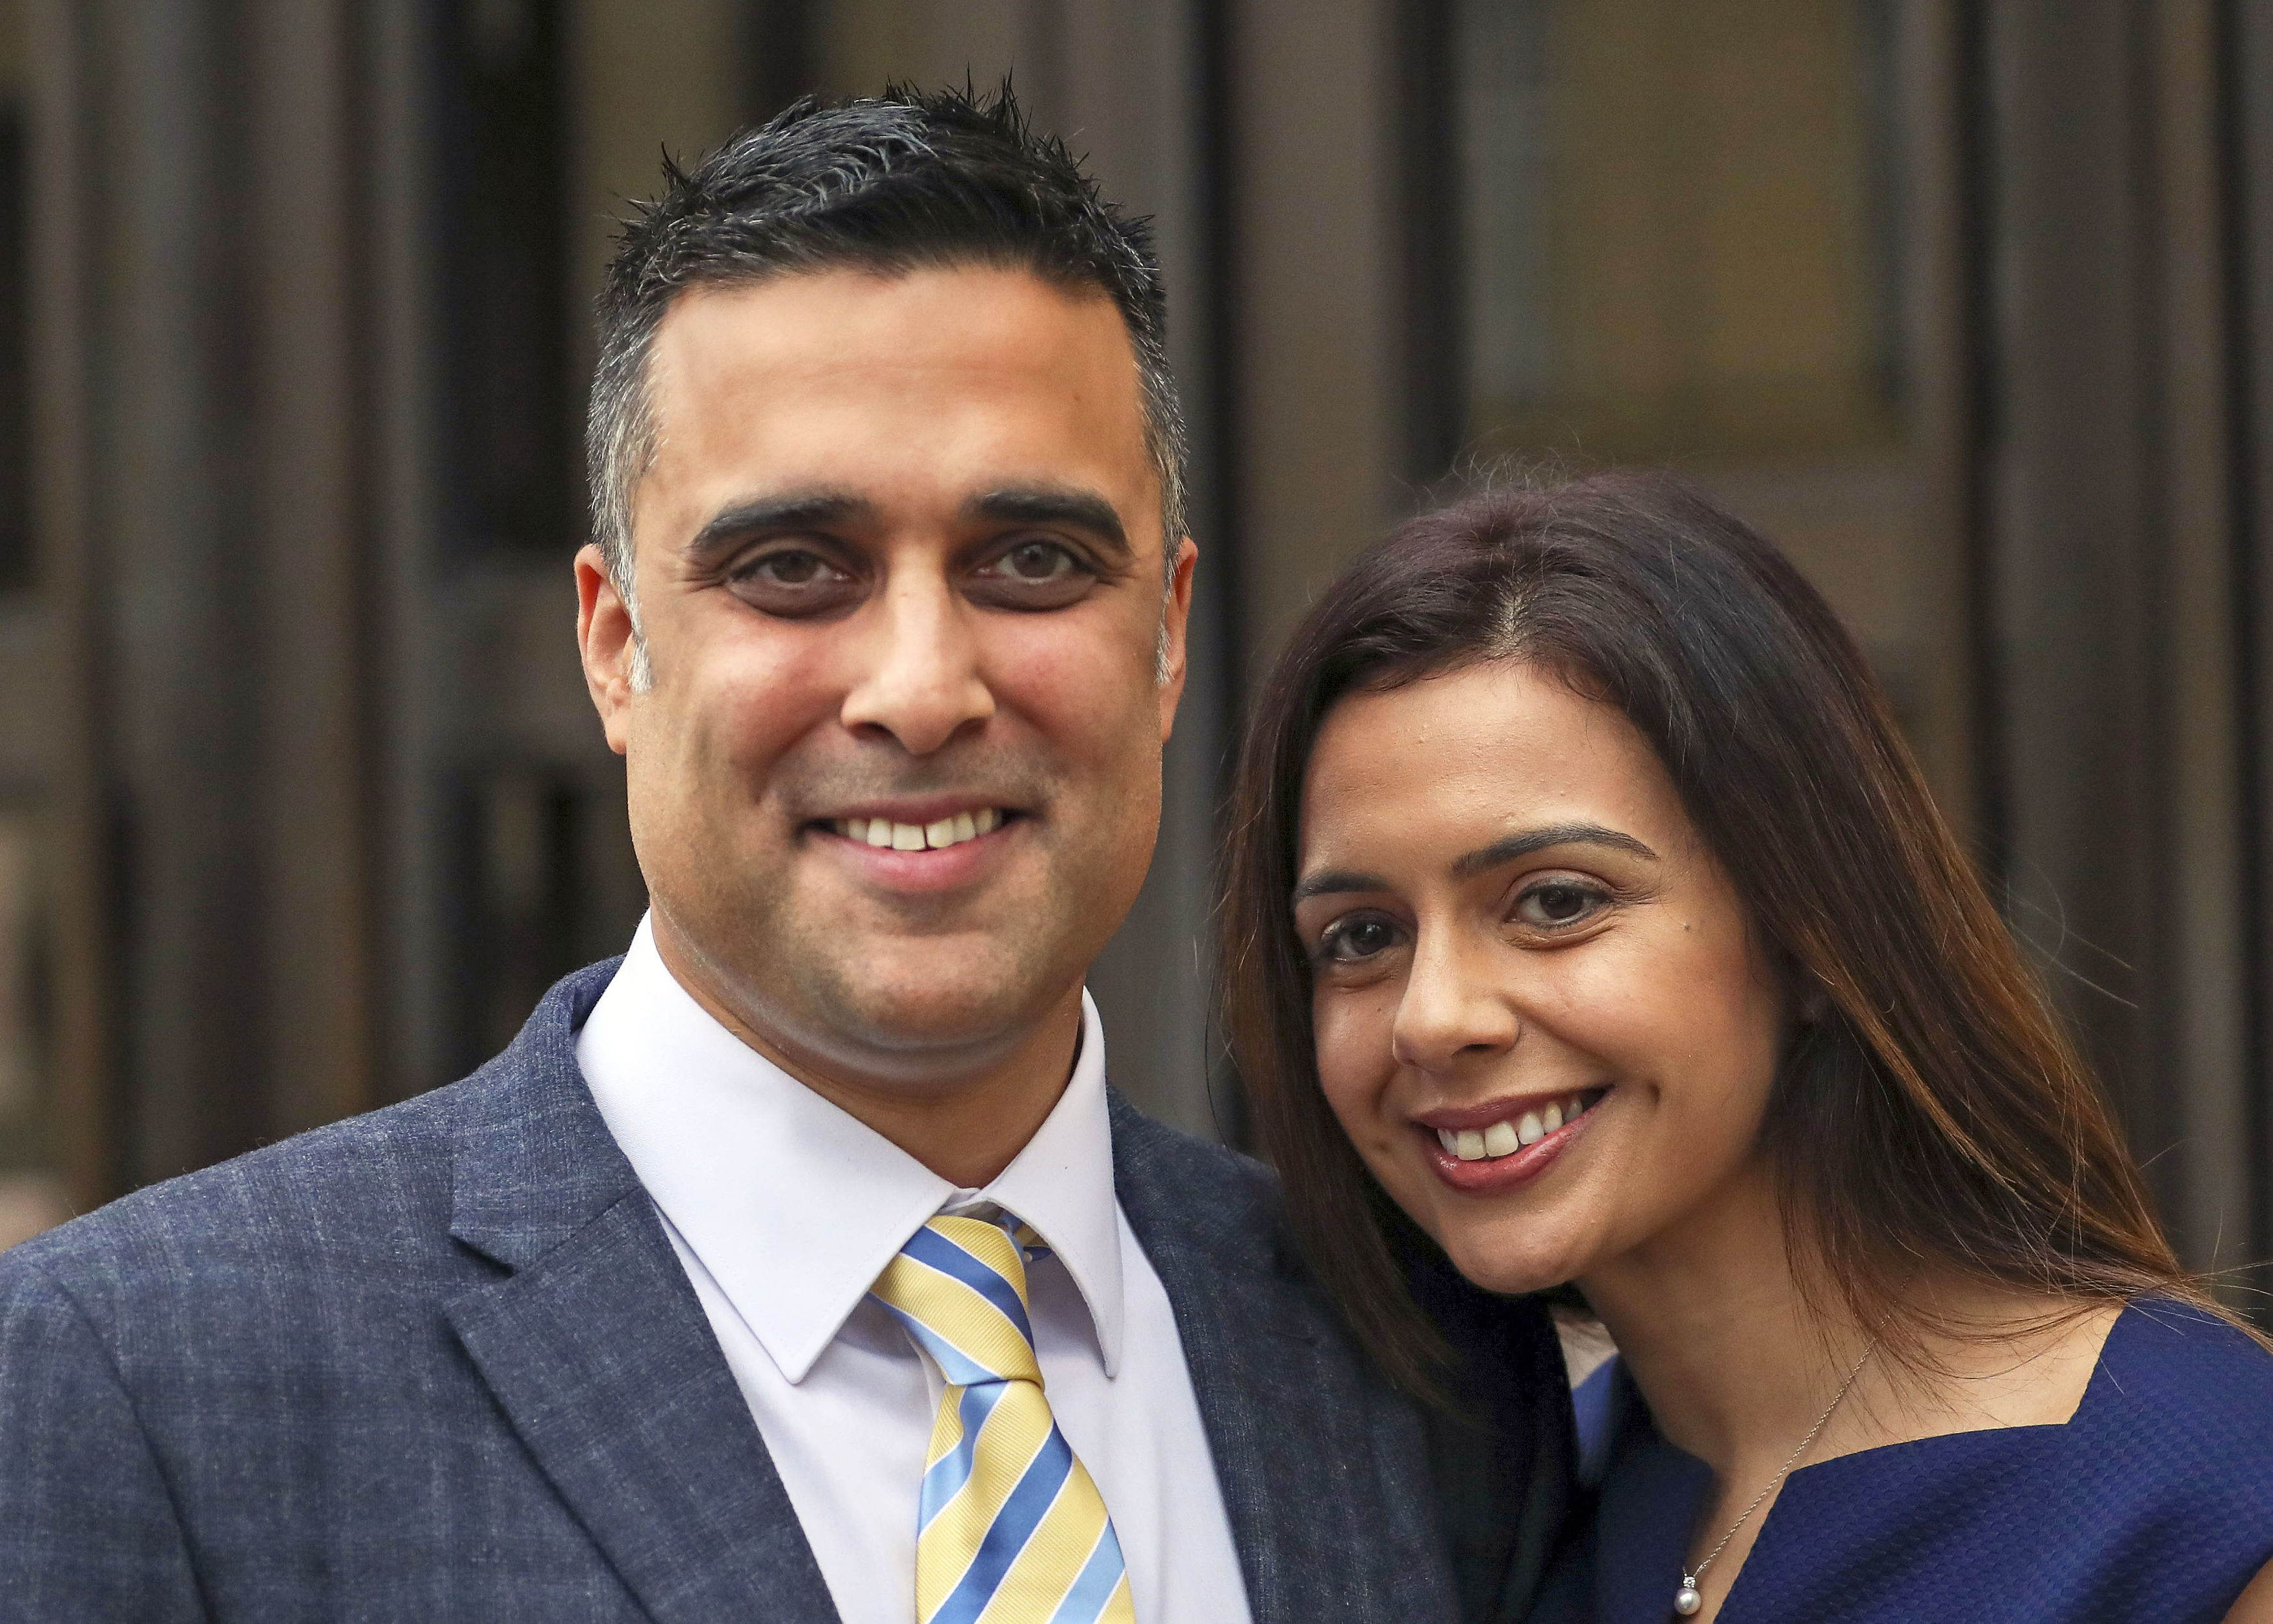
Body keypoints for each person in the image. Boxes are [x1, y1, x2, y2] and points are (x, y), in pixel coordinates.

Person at [0, 88, 1573, 1623]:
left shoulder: (1421, 1362)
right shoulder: (149, 1383)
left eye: (1030, 562)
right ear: (614, 648)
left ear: (1164, 633)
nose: (919, 689)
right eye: (793, 569)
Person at [1218, 471, 2273, 1624]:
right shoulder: (1503, 1512)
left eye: (1556, 902)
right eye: (1362, 936)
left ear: (1812, 932)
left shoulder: (2197, 1501)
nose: (1432, 1015)